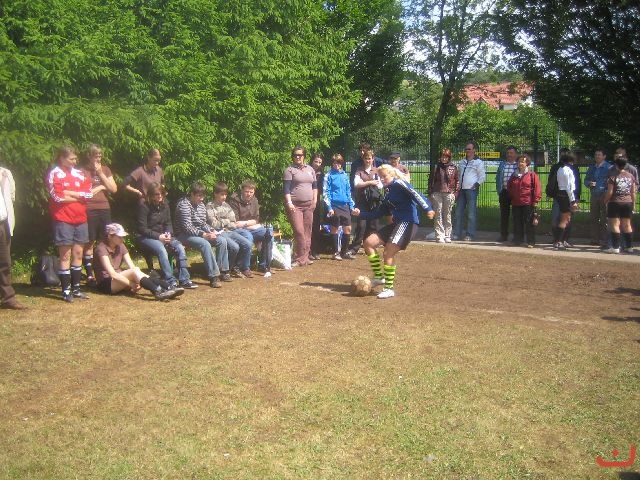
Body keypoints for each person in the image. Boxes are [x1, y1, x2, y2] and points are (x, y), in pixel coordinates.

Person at [353, 165, 434, 299]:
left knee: (388, 252)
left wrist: (428, 208)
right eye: (380, 177)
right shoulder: (388, 192)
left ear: (392, 175)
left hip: (407, 222)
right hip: (397, 223)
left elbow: (415, 193)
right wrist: (360, 214)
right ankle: (379, 277)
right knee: (368, 243)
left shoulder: (399, 183)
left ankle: (389, 288)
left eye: (384, 176)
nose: (382, 179)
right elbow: (378, 212)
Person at [46, 146, 93, 302]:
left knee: (78, 254)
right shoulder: (55, 173)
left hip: (81, 219)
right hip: (63, 219)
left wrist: (70, 193)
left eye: (75, 158)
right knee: (65, 255)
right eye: (71, 158)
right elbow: (57, 197)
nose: (75, 161)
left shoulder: (80, 173)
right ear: (62, 158)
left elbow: (88, 194)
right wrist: (78, 196)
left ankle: (76, 288)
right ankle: (66, 291)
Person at [94, 223, 181, 300]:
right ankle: (158, 291)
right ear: (110, 236)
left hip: (118, 278)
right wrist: (131, 284)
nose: (122, 239)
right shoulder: (101, 249)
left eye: (123, 237)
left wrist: (138, 278)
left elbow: (132, 266)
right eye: (119, 237)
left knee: (136, 270)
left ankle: (168, 287)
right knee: (134, 271)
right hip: (106, 283)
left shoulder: (121, 245)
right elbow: (112, 274)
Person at [136, 182, 197, 289]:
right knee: (161, 248)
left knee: (180, 247)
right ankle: (170, 280)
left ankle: (184, 280)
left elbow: (168, 223)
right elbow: (142, 229)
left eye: (161, 193)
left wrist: (168, 234)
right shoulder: (144, 207)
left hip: (163, 236)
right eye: (156, 194)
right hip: (145, 237)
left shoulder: (165, 205)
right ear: (151, 195)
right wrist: (159, 236)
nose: (160, 196)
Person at [175, 182, 229, 288]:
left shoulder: (201, 205)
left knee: (221, 240)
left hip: (198, 233)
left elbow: (203, 223)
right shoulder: (184, 205)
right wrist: (203, 234)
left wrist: (212, 231)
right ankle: (213, 276)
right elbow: (187, 227)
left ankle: (222, 271)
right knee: (204, 243)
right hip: (183, 235)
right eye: (199, 196)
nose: (201, 199)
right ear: (192, 194)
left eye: (203, 196)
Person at [80, 144, 117, 286]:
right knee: (90, 240)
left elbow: (113, 189)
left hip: (104, 207)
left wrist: (101, 174)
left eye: (100, 156)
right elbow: (85, 192)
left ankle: (104, 271)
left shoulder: (105, 169)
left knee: (105, 239)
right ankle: (89, 274)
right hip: (89, 208)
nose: (98, 158)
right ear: (89, 156)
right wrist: (101, 186)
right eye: (96, 156)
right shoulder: (82, 171)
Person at [206, 182, 254, 278]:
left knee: (248, 244)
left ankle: (236, 267)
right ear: (215, 194)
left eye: (225, 194)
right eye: (222, 194)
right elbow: (214, 224)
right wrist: (227, 221)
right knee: (234, 247)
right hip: (217, 232)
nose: (224, 197)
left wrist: (223, 222)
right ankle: (223, 270)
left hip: (229, 231)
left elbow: (234, 223)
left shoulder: (227, 206)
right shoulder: (210, 206)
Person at [228, 180, 274, 276]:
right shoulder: (234, 200)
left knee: (269, 233)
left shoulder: (254, 200)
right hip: (238, 230)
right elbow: (236, 222)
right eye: (246, 191)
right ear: (242, 191)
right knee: (248, 236)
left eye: (251, 192)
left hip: (251, 227)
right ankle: (244, 267)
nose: (249, 194)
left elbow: (256, 219)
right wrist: (250, 223)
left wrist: (246, 223)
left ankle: (264, 265)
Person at [283, 145, 317, 267]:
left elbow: (315, 187)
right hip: (295, 206)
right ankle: (299, 258)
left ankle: (304, 258)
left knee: (307, 231)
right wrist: (289, 203)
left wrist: (315, 201)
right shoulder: (289, 170)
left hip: (309, 205)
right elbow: (286, 189)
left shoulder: (310, 169)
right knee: (299, 231)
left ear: (304, 156)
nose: (297, 157)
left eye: (300, 155)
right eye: (295, 155)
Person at [347, 149, 383, 256]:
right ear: (363, 159)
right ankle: (355, 248)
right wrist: (371, 182)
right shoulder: (359, 170)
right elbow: (356, 184)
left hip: (374, 201)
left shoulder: (376, 170)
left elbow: (380, 185)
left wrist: (365, 183)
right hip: (362, 200)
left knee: (373, 225)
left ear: (373, 159)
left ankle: (370, 247)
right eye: (366, 158)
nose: (368, 160)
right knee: (361, 225)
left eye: (370, 158)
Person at [323, 153, 359, 260]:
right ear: (332, 164)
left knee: (348, 228)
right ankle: (335, 253)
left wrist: (351, 207)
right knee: (334, 228)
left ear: (341, 163)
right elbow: (326, 192)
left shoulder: (344, 175)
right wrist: (329, 208)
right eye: (334, 163)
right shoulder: (328, 175)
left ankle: (344, 252)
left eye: (338, 163)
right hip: (334, 205)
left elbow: (348, 192)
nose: (336, 165)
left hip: (345, 206)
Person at [0, 165, 26, 309]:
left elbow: (11, 196)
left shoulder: (5, 173)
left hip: (3, 223)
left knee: (5, 262)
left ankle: (8, 298)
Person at [603, 154, 636, 254]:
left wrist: (605, 201)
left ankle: (615, 247)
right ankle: (629, 247)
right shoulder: (631, 176)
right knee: (627, 225)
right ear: (625, 165)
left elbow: (610, 192)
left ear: (616, 165)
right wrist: (633, 203)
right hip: (627, 202)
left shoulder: (613, 177)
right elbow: (633, 192)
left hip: (615, 202)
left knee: (615, 225)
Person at [453, 141, 485, 241]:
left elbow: (482, 176)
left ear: (474, 150)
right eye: (466, 149)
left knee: (471, 214)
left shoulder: (478, 162)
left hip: (471, 191)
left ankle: (470, 234)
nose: (467, 151)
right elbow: (458, 175)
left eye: (469, 149)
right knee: (458, 212)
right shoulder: (462, 162)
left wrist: (476, 185)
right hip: (461, 190)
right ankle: (457, 233)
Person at [507, 155, 541, 247]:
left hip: (528, 202)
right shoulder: (514, 175)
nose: (520, 163)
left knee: (529, 222)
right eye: (519, 162)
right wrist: (512, 196)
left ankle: (531, 241)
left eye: (522, 162)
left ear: (527, 163)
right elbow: (509, 186)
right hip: (516, 202)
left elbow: (537, 188)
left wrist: (536, 200)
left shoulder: (532, 175)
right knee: (517, 222)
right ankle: (518, 240)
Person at [428, 148, 459, 243]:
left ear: (449, 157)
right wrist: (431, 192)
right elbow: (431, 180)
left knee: (447, 214)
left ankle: (447, 235)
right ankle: (439, 235)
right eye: (442, 156)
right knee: (438, 214)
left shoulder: (453, 167)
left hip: (449, 193)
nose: (444, 158)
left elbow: (457, 181)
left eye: (446, 157)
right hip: (437, 192)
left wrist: (455, 193)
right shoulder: (436, 167)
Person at [551, 151, 581, 247]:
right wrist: (573, 200)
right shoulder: (568, 170)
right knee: (565, 219)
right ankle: (559, 241)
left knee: (566, 218)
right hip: (566, 195)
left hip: (561, 194)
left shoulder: (560, 169)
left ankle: (561, 240)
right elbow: (569, 187)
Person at [584, 148, 611, 247]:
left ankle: (605, 240)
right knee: (594, 218)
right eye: (596, 155)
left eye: (599, 155)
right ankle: (594, 239)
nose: (597, 156)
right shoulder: (592, 167)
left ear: (604, 156)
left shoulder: (609, 167)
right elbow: (586, 180)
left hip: (605, 195)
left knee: (605, 219)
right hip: (594, 194)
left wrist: (607, 190)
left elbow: (612, 181)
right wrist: (589, 183)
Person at [495, 146, 519, 242]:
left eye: (511, 153)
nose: (509, 155)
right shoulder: (502, 164)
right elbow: (498, 177)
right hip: (504, 192)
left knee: (516, 215)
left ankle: (516, 236)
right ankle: (503, 235)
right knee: (504, 215)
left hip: (515, 193)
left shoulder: (518, 165)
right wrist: (499, 190)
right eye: (508, 153)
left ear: (516, 154)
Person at [310, 152, 325, 260]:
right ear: (312, 161)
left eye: (320, 162)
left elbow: (322, 190)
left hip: (316, 202)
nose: (317, 164)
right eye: (316, 161)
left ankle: (315, 250)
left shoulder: (322, 175)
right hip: (305, 201)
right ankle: (306, 250)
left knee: (316, 226)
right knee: (306, 227)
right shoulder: (306, 171)